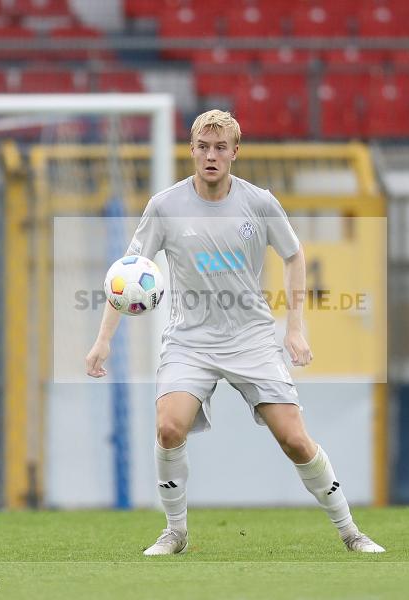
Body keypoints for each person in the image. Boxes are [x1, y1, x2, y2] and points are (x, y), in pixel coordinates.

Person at [85, 109, 385, 556]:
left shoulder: (258, 203)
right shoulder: (164, 206)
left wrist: (295, 329)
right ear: (191, 150)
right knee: (168, 427)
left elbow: (294, 256)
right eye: (203, 147)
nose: (211, 155)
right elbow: (128, 275)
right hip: (190, 341)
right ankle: (175, 533)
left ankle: (351, 532)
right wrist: (103, 340)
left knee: (294, 439)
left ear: (234, 152)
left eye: (220, 148)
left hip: (251, 339)